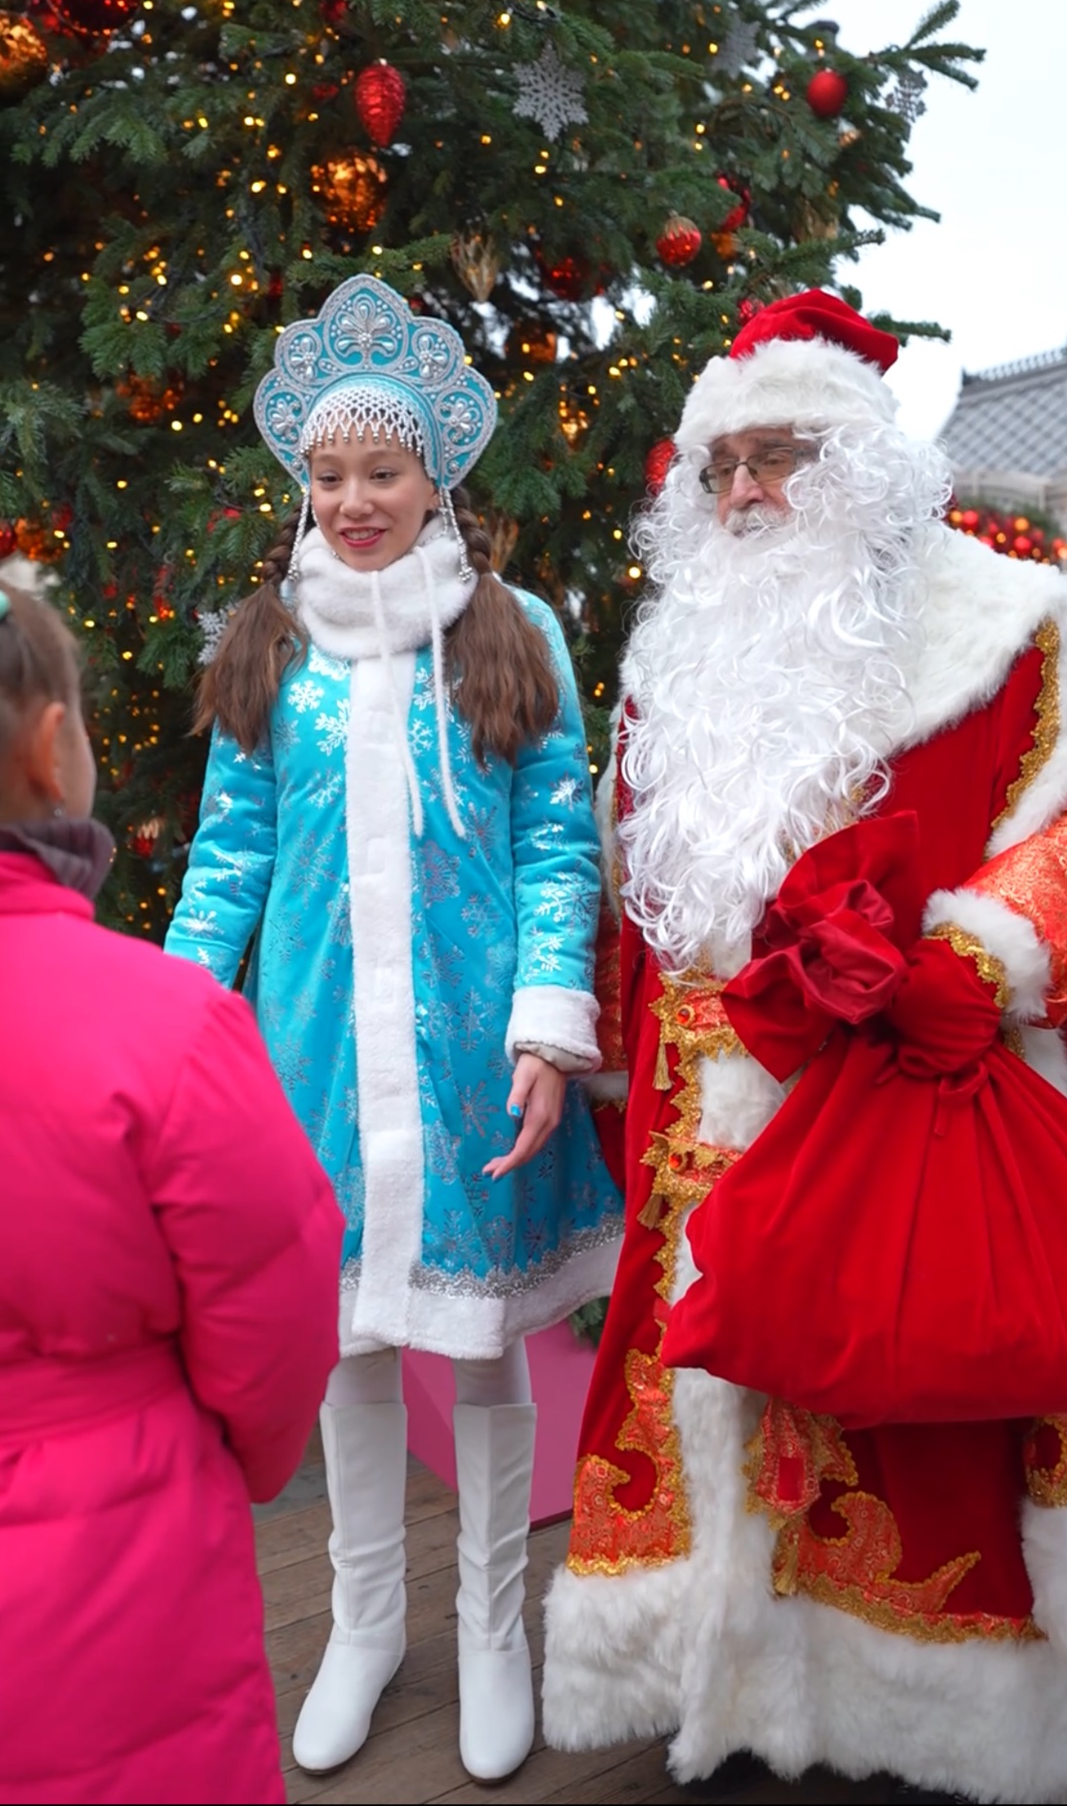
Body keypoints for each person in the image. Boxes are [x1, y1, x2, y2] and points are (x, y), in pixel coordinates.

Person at [541, 290, 1067, 1804]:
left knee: (909, 1418)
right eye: (719, 468)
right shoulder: (668, 669)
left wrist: (983, 948)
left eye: (777, 457)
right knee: (703, 1412)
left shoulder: (1012, 630)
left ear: (864, 469)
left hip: (905, 1109)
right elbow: (634, 908)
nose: (742, 494)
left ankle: (900, 1714)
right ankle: (716, 1676)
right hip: (694, 1128)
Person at [165, 273, 622, 1784]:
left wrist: (551, 1029)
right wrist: (175, 1021)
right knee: (348, 1344)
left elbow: (560, 844)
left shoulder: (512, 632)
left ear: (438, 476)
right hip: (310, 1058)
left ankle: (494, 1628)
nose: (353, 500)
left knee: (481, 1349)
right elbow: (229, 856)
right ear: (302, 484)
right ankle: (365, 1625)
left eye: (383, 471)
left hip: (477, 1063)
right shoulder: (265, 644)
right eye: (328, 475)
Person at [0, 582, 343, 1806]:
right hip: (114, 1564)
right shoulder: (169, 1029)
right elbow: (277, 1299)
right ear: (53, 753)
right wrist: (228, 1456)